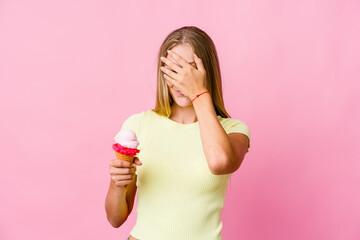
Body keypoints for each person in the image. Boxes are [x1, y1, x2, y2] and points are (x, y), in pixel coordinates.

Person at [105, 26, 251, 240]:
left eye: (190, 71)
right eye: (173, 69)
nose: (182, 80)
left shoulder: (234, 130)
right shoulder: (137, 125)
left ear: (207, 72)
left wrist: (198, 92)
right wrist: (117, 184)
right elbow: (115, 218)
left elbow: (220, 162)